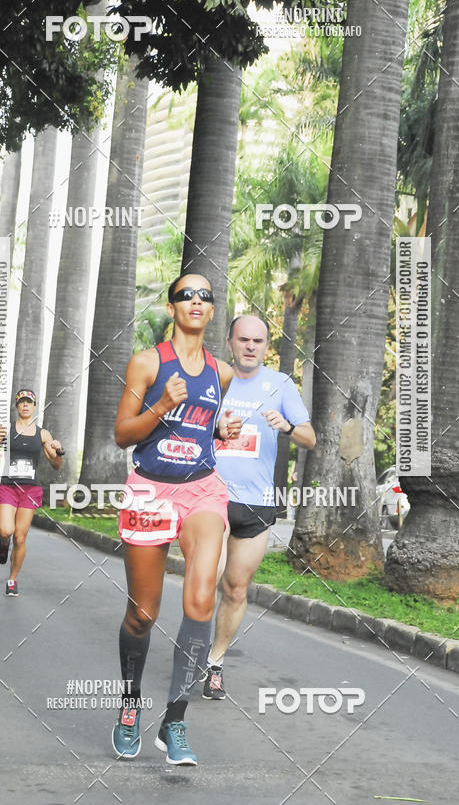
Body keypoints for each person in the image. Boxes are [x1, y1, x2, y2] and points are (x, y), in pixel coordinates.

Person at [112, 273, 241, 766]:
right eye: (186, 294)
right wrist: (163, 404)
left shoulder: (222, 373)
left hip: (202, 489)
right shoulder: (147, 364)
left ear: (211, 311)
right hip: (150, 490)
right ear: (172, 308)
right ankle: (129, 708)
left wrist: (221, 431)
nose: (196, 301)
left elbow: (208, 430)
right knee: (142, 614)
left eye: (205, 296)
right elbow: (124, 434)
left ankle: (175, 719)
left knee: (202, 599)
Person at [202, 315, 316, 700]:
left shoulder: (280, 384)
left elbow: (310, 437)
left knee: (235, 589)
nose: (251, 346)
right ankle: (189, 654)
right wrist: (216, 428)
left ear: (266, 346)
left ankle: (215, 663)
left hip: (256, 504)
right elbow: (184, 425)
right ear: (230, 342)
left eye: (259, 341)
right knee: (204, 584)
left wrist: (285, 426)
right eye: (244, 340)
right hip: (211, 496)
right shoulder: (213, 379)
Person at [0, 389, 63, 597]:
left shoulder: (43, 434)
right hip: (9, 486)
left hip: (30, 489)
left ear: (34, 407)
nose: (25, 405)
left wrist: (58, 451)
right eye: (22, 402)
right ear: (17, 406)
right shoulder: (5, 428)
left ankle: (12, 580)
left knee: (21, 538)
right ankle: (3, 541)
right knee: (6, 531)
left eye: (29, 402)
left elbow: (56, 464)